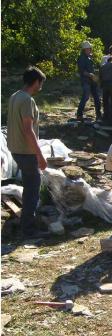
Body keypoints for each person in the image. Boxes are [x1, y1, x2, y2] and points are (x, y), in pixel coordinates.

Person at [7, 66, 48, 239]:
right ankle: (29, 230)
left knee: (28, 187)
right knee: (32, 190)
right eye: (41, 83)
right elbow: (28, 129)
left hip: (16, 149)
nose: (41, 87)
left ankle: (26, 223)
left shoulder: (14, 96)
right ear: (36, 82)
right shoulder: (27, 100)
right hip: (26, 151)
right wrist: (40, 155)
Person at [76, 41, 102, 121]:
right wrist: (91, 75)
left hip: (92, 81)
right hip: (86, 81)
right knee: (85, 97)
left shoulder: (89, 57)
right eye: (89, 48)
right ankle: (79, 114)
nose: (91, 50)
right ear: (85, 49)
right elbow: (82, 71)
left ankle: (98, 115)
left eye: (90, 48)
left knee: (97, 98)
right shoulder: (81, 58)